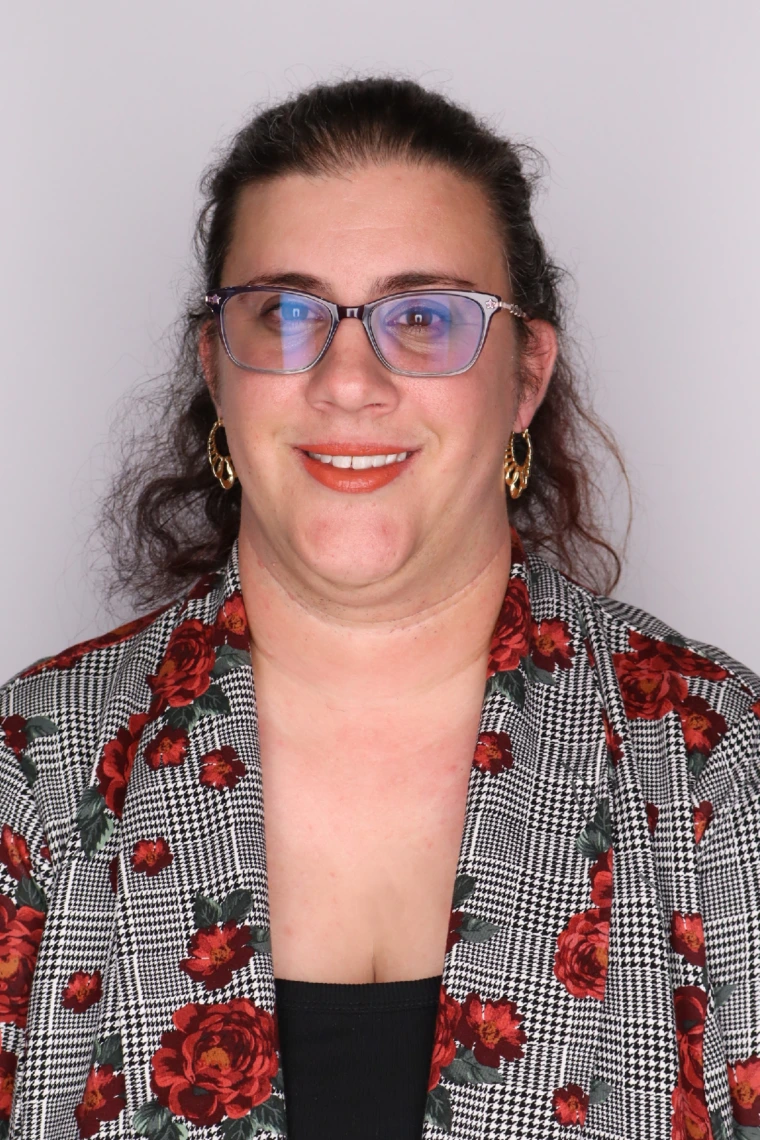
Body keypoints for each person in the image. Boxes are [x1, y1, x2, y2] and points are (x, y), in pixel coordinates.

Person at [0, 77, 757, 1140]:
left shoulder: (719, 766)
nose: (348, 379)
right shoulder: (31, 771)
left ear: (525, 376)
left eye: (425, 316)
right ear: (216, 367)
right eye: (287, 313)